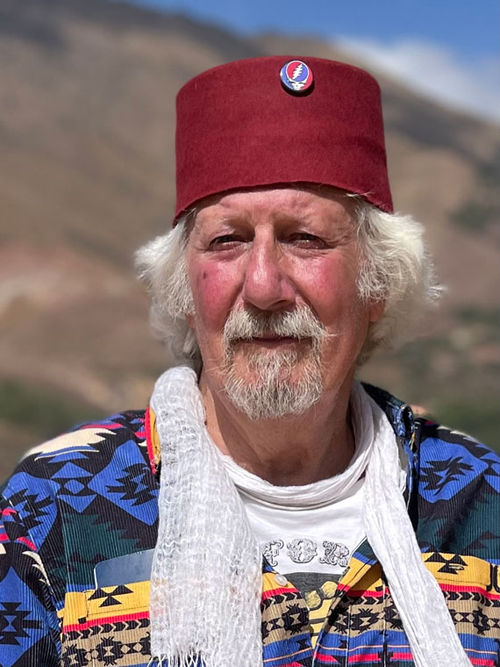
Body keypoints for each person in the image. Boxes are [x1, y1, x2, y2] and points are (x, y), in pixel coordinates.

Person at [0, 56, 498, 667]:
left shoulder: (478, 500)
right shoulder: (53, 509)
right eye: (227, 240)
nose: (263, 288)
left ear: (378, 285)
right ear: (185, 291)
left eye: (305, 239)